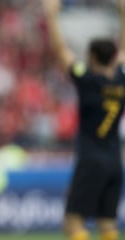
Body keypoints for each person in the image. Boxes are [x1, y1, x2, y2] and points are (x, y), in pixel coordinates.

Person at [43, 1, 125, 240]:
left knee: (73, 222)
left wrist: (51, 17)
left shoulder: (86, 79)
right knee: (107, 224)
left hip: (90, 160)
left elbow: (62, 52)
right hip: (114, 162)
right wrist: (122, 12)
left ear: (91, 56)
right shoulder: (121, 79)